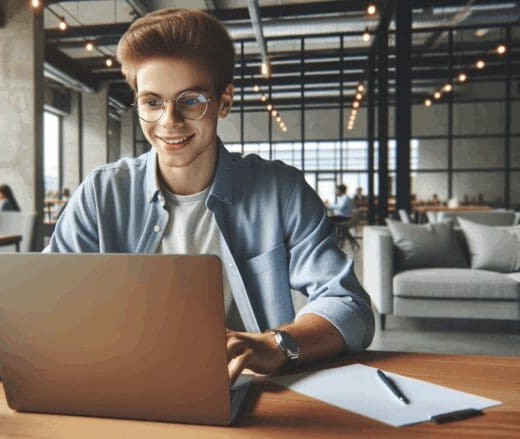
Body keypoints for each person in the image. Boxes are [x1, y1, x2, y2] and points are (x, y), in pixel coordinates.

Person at [44, 9, 374, 383]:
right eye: (152, 102)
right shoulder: (102, 193)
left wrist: (277, 344)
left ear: (224, 101)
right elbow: (51, 304)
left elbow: (350, 307)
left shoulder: (280, 191)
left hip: (246, 390)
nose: (169, 120)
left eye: (190, 101)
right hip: (122, 383)